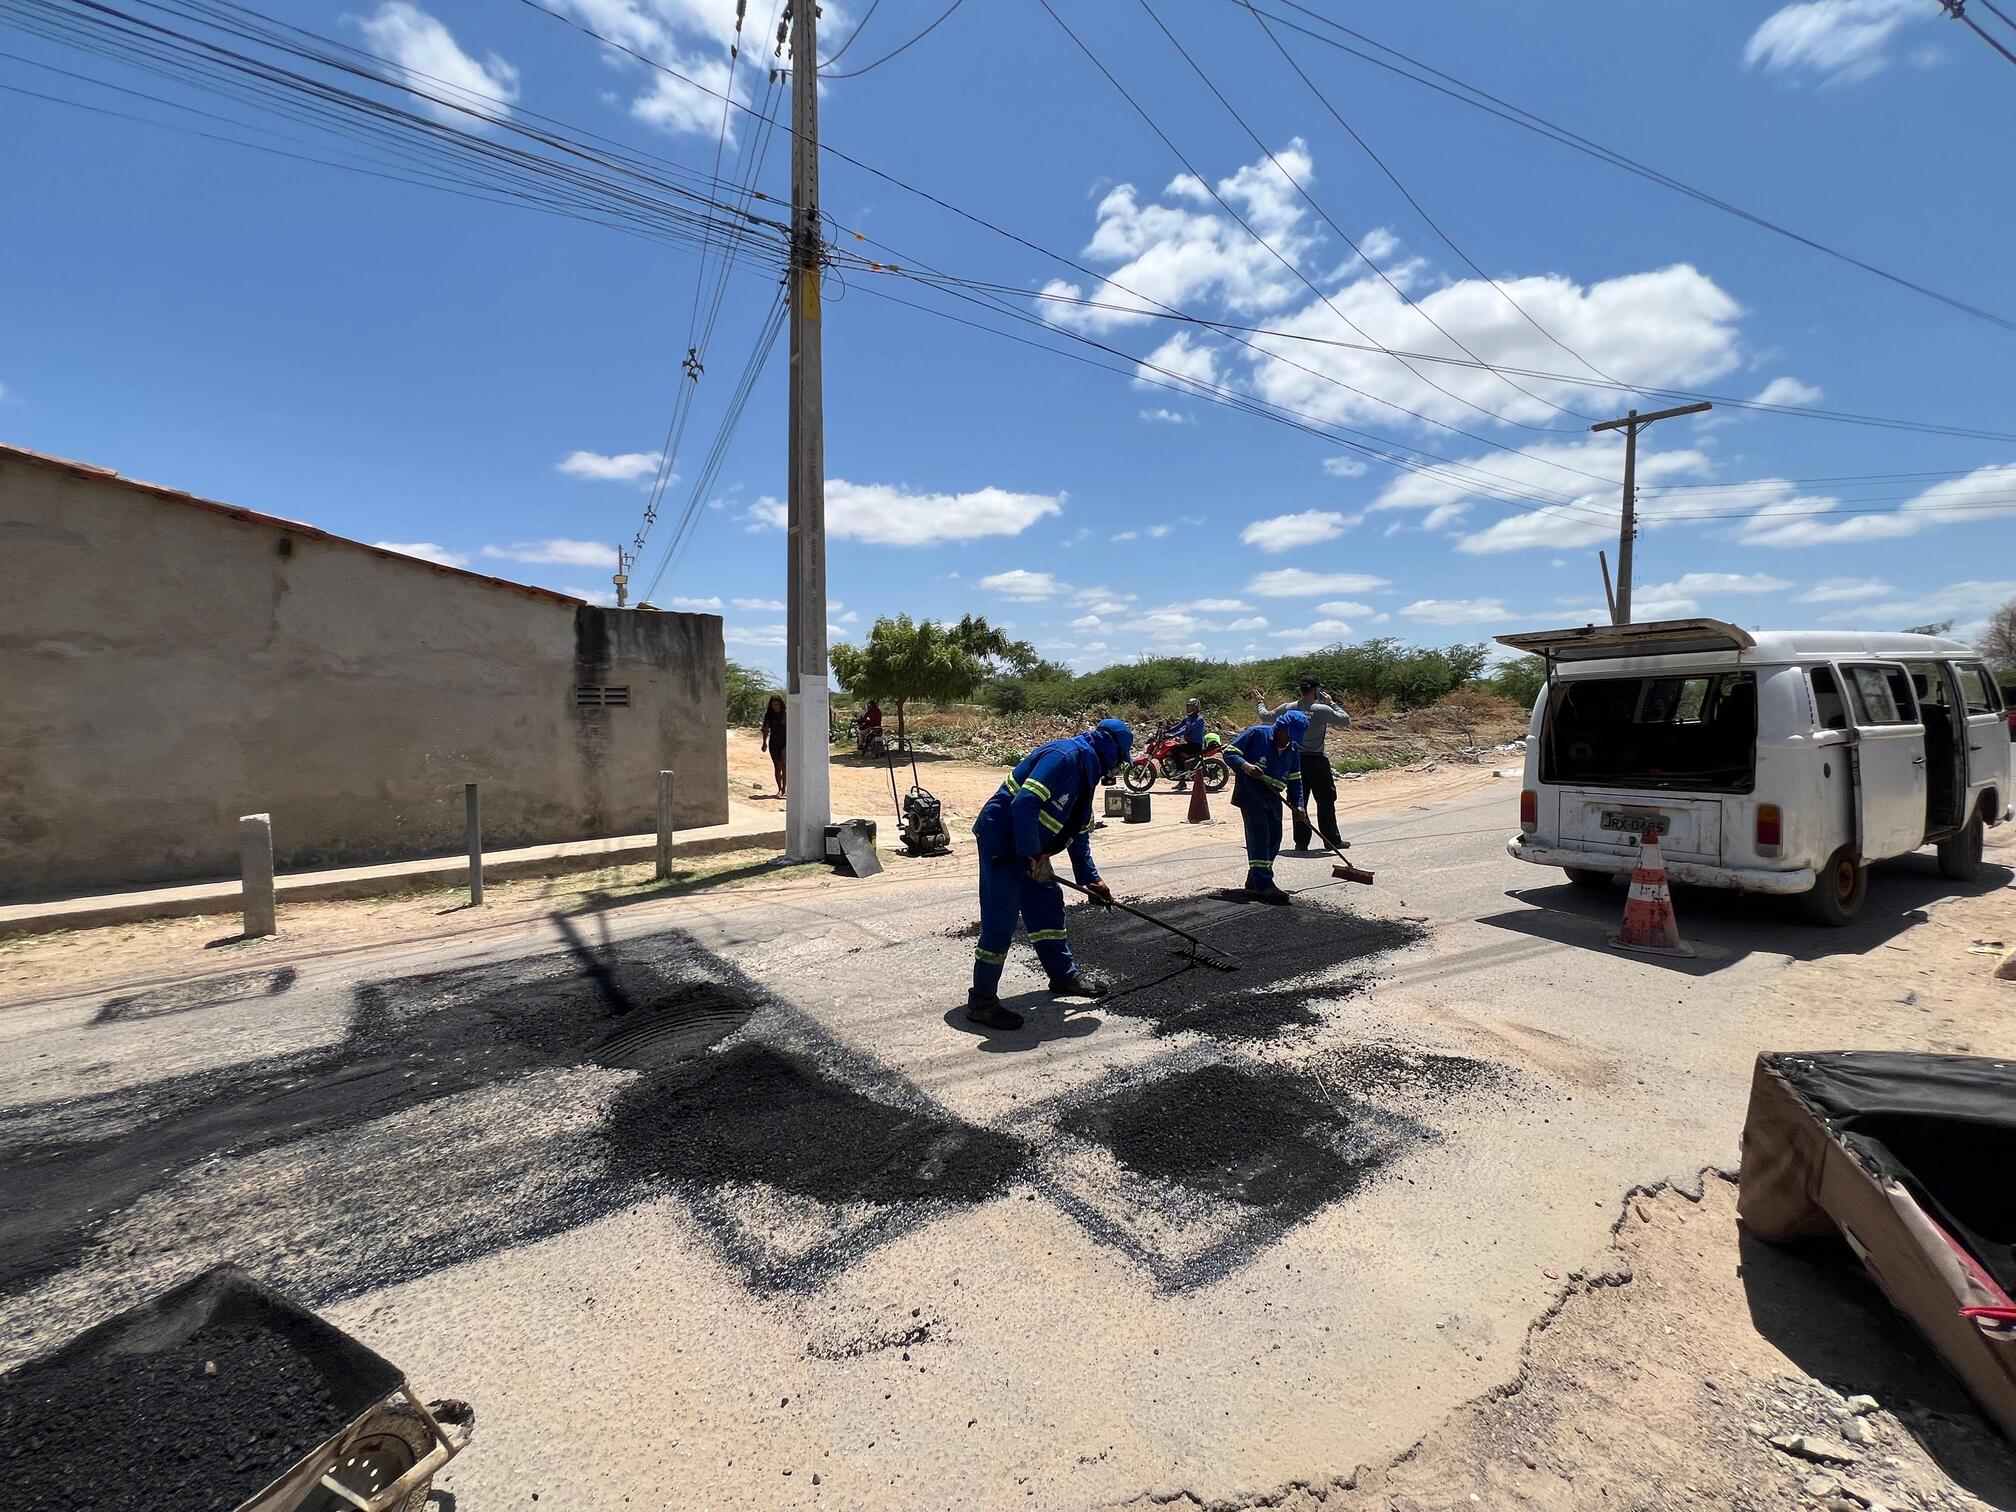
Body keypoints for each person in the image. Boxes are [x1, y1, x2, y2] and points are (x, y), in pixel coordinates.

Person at [966, 717, 1133, 1031]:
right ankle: (982, 1001)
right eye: (1119, 759)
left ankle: (1063, 976)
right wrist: (1033, 855)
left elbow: (1078, 832)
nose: (1116, 767)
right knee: (1001, 916)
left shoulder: (1087, 773)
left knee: (1046, 904)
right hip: (1002, 839)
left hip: (1032, 849)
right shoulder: (1065, 757)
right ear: (1108, 747)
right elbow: (1025, 802)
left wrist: (1091, 880)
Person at [1222, 710, 1310, 904]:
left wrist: (1299, 805)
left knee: (1275, 839)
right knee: (1260, 837)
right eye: (1288, 735)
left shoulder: (1293, 749)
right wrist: (1246, 766)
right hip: (1251, 793)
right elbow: (1229, 752)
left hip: (1272, 796)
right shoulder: (1257, 734)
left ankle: (1256, 877)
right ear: (1281, 727)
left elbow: (1295, 780)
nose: (1288, 741)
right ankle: (1264, 885)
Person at [1258, 674, 1352, 852]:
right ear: (1316, 690)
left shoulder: (1288, 708)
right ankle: (1331, 840)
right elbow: (1345, 720)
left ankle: (1301, 842)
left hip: (1294, 759)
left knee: (1297, 800)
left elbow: (1266, 717)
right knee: (1325, 800)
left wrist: (1260, 702)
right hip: (1316, 761)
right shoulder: (1322, 709)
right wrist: (1332, 703)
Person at [1165, 697, 1207, 786]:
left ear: (1196, 708)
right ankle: (1182, 781)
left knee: (1175, 749)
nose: (1189, 709)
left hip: (1196, 745)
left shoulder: (1199, 719)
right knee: (1175, 749)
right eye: (1188, 707)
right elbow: (1179, 726)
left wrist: (1173, 735)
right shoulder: (1187, 718)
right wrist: (1167, 731)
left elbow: (1187, 729)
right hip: (1189, 743)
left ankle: (1180, 770)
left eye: (1191, 707)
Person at [760, 693, 787, 796]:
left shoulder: (786, 714)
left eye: (777, 704)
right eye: (773, 704)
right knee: (777, 766)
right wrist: (764, 743)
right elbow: (765, 729)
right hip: (774, 742)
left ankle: (784, 789)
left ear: (781, 704)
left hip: (785, 743)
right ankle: (779, 788)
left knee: (784, 766)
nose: (776, 706)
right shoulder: (769, 715)